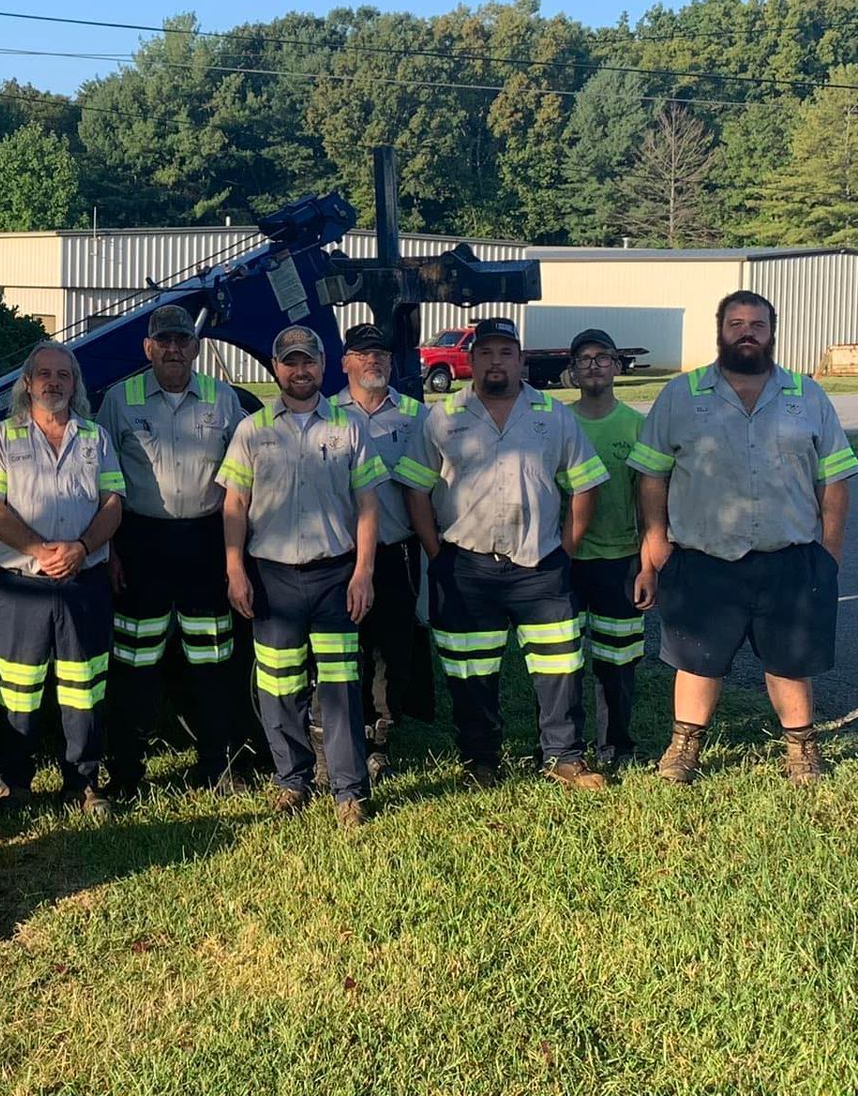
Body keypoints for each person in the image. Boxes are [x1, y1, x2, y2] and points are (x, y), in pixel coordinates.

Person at [628, 291, 858, 785]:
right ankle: (683, 750)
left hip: (789, 558)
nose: (747, 332)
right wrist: (656, 545)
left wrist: (830, 553)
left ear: (772, 333)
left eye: (757, 324)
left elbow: (835, 478)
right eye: (736, 323)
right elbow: (650, 475)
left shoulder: (807, 395)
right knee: (696, 660)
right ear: (721, 330)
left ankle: (801, 750)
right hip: (704, 557)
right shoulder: (681, 394)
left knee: (790, 661)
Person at [394, 317, 611, 792]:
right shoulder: (443, 417)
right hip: (465, 565)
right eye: (486, 353)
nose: (496, 361)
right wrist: (439, 552)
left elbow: (585, 483)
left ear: (521, 359)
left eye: (505, 352)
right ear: (470, 361)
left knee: (559, 668)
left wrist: (567, 547)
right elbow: (414, 486)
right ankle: (481, 759)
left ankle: (563, 757)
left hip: (540, 565)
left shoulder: (552, 415)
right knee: (471, 672)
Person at [218, 324, 383, 827]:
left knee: (339, 688)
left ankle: (349, 791)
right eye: (290, 362)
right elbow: (235, 505)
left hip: (335, 576)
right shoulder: (253, 430)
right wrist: (235, 570)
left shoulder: (348, 428)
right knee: (279, 685)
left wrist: (363, 573)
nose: (300, 370)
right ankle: (292, 780)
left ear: (322, 366)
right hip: (273, 580)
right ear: (275, 369)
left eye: (308, 361)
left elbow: (368, 504)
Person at [0, 342, 126, 822]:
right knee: (17, 691)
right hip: (24, 585)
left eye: (64, 374)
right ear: (27, 382)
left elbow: (114, 502)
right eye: (44, 374)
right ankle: (15, 784)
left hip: (85, 580)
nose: (53, 382)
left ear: (75, 384)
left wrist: (80, 548)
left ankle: (83, 782)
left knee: (85, 687)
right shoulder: (0, 438)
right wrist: (40, 551)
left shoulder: (96, 437)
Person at [96, 304, 246, 797]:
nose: (174, 349)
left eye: (183, 340)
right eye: (164, 341)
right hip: (141, 544)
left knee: (213, 660)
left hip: (205, 542)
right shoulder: (120, 399)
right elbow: (103, 483)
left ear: (196, 347)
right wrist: (113, 552)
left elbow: (244, 481)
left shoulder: (224, 400)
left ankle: (217, 765)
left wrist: (234, 555)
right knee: (135, 663)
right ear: (148, 348)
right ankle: (126, 773)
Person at [330, 322, 436, 779]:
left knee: (391, 649)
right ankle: (343, 731)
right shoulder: (325, 413)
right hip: (338, 557)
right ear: (345, 363)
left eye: (381, 354)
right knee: (342, 648)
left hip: (396, 552)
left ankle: (380, 735)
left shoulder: (417, 416)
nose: (373, 361)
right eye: (362, 353)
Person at [564, 328, 647, 770]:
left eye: (603, 357)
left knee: (617, 662)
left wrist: (649, 560)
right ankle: (562, 747)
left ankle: (616, 745)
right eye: (584, 359)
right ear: (572, 371)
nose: (593, 365)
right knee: (562, 662)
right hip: (566, 562)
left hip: (620, 561)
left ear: (616, 366)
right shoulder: (558, 422)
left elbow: (649, 501)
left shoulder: (636, 425)